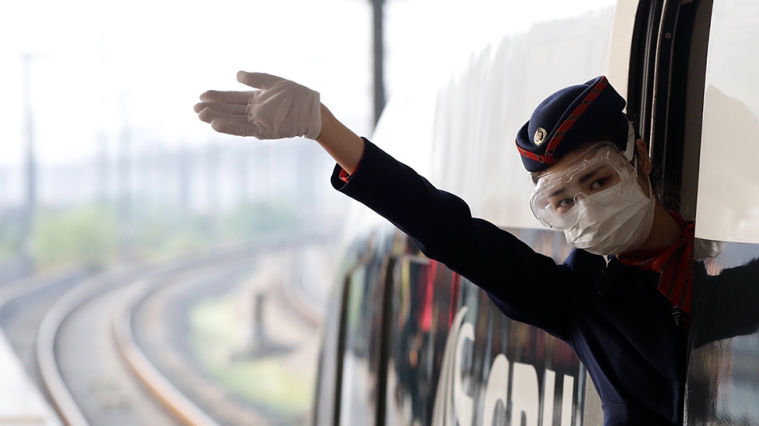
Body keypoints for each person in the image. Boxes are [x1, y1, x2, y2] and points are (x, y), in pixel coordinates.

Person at [195, 71, 698, 425]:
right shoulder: (583, 300)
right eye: (562, 201)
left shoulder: (719, 264)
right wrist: (324, 127)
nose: (585, 209)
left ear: (640, 158)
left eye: (598, 180)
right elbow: (450, 232)